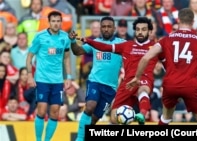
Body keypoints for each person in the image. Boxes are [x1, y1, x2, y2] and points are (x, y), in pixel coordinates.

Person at [126, 8, 197, 125]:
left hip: (170, 84)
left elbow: (145, 58)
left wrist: (137, 77)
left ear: (178, 20)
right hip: (190, 85)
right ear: (193, 22)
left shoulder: (166, 39)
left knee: (166, 117)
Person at [78, 17, 161, 125]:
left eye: (144, 29)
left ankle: (142, 113)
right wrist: (87, 40)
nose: (140, 32)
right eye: (138, 29)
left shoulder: (156, 47)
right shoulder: (127, 45)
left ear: (150, 31)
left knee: (143, 88)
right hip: (127, 84)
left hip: (144, 79)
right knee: (114, 118)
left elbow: (168, 63)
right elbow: (105, 47)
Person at [69, 16, 125, 141]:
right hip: (95, 82)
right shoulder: (95, 43)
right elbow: (77, 51)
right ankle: (79, 138)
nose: (106, 29)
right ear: (100, 28)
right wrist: (73, 42)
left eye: (109, 27)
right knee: (90, 106)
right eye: (103, 26)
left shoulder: (122, 44)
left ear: (114, 28)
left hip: (110, 88)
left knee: (94, 119)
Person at [26, 11, 72, 141]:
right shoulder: (40, 37)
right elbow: (30, 56)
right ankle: (38, 139)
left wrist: (68, 76)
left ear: (61, 22)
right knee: (41, 110)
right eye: (53, 21)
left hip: (57, 81)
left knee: (55, 112)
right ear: (49, 22)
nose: (56, 24)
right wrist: (30, 75)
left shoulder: (65, 37)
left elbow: (67, 58)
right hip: (42, 79)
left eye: (58, 21)